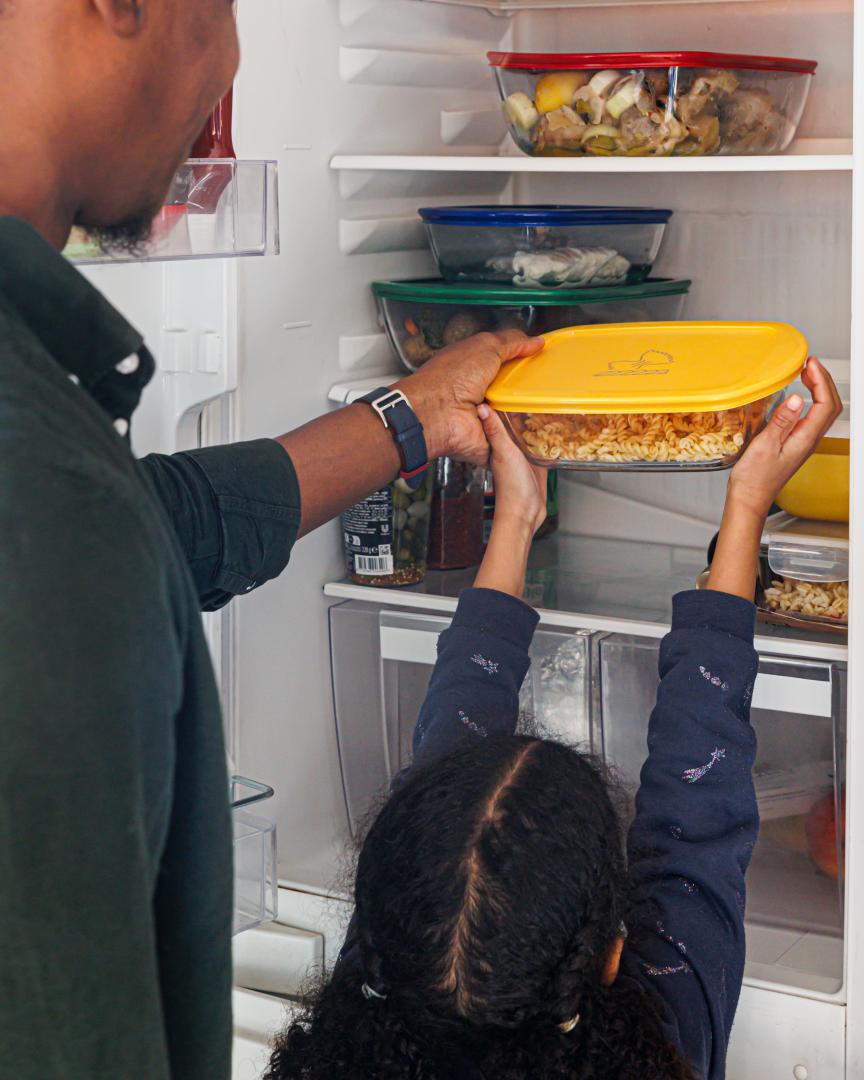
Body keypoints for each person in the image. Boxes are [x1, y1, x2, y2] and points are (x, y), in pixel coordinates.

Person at [0, 3, 543, 1078]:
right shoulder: (40, 485)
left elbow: (154, 525)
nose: (234, 70)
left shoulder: (56, 480)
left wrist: (413, 415)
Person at [266, 358, 842, 1080]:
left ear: (378, 917)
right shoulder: (667, 1034)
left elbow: (694, 821)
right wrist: (749, 503)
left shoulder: (364, 1024)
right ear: (608, 957)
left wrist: (515, 515)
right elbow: (689, 814)